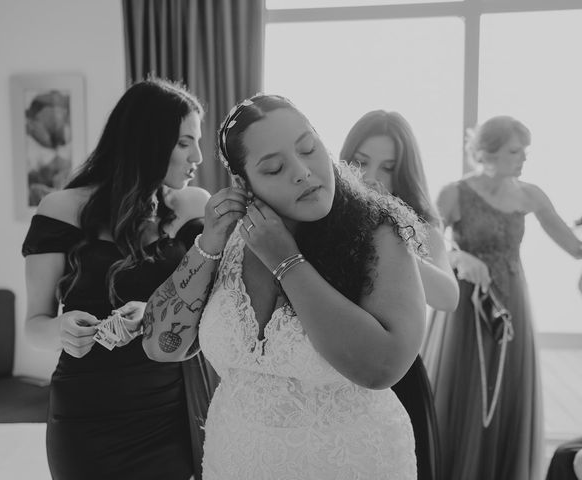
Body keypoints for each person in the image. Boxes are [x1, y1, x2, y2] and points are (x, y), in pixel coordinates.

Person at [140, 94, 429, 479]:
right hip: (236, 458)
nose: (302, 172)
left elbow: (382, 368)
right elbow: (160, 345)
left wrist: (286, 262)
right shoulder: (224, 239)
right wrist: (208, 243)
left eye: (309, 149)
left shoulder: (377, 232)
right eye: (274, 168)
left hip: (352, 463)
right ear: (245, 183)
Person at [22, 77, 216, 480]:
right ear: (146, 140)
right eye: (183, 142)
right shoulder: (61, 210)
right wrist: (61, 329)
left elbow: (215, 307)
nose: (198, 155)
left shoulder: (194, 208)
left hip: (168, 412)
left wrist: (157, 313)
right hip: (84, 419)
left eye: (196, 141)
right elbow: (33, 325)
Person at [421, 115, 582, 480]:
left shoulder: (530, 194)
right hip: (465, 304)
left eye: (525, 150)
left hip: (513, 303)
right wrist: (459, 257)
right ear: (488, 151)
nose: (523, 158)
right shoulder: (454, 193)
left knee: (506, 390)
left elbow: (575, 248)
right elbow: (428, 250)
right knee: (466, 391)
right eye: (515, 150)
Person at [340, 109, 459, 480]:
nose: (372, 177)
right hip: (332, 371)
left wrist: (392, 240)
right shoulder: (323, 220)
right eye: (361, 162)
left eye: (388, 167)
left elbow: (448, 297)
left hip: (398, 377)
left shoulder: (419, 229)